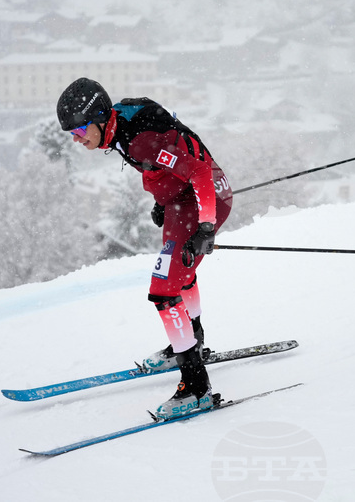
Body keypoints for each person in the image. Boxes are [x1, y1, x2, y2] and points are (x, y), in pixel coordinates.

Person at [56, 77, 233, 419]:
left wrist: (206, 227)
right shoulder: (121, 123)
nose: (76, 139)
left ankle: (196, 387)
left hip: (203, 199)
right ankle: (191, 342)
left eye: (78, 131)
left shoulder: (140, 142)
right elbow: (171, 150)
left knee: (163, 290)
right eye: (71, 134)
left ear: (99, 118)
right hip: (182, 199)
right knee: (179, 275)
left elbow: (198, 171)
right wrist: (162, 199)